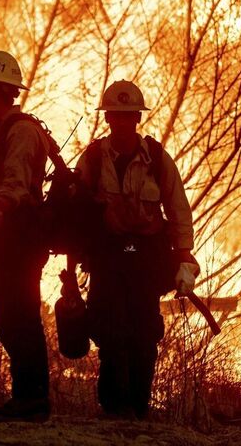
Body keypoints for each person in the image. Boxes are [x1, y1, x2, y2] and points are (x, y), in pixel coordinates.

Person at [74, 79, 199, 420]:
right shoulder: (93, 159)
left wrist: (184, 256)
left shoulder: (158, 158)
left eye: (129, 115)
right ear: (108, 118)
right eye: (116, 114)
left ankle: (140, 407)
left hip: (145, 261)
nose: (122, 121)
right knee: (108, 331)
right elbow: (75, 208)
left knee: (144, 333)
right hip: (107, 259)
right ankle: (113, 407)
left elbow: (178, 209)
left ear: (137, 119)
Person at [0, 49, 51, 422]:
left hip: (21, 234)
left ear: (0, 90)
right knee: (4, 315)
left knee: (20, 314)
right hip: (3, 233)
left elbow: (16, 182)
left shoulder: (22, 132)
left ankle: (32, 400)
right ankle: (27, 398)